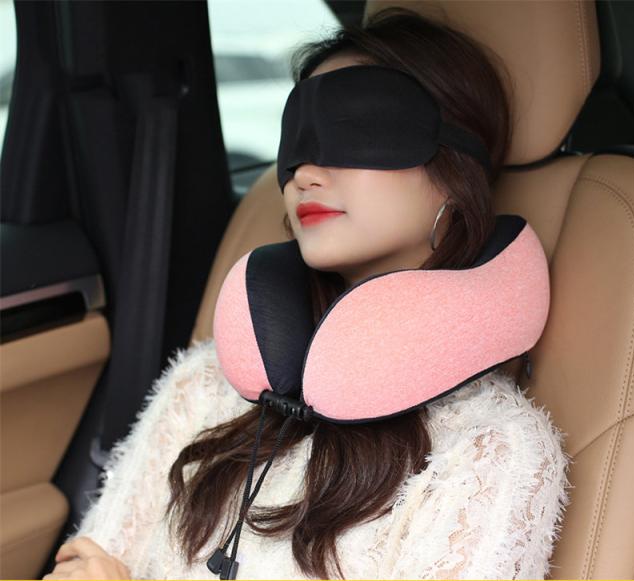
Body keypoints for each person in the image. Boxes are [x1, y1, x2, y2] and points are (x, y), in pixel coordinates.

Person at [44, 7, 572, 580]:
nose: (304, 173)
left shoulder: (491, 449)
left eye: (357, 128)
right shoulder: (206, 384)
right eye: (297, 139)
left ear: (455, 170)